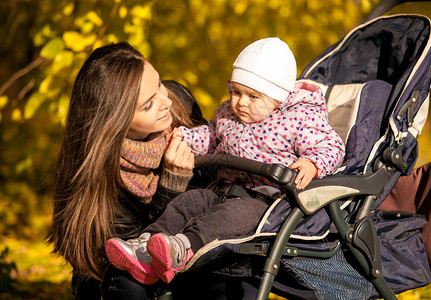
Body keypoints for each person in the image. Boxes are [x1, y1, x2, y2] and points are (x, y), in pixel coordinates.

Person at [105, 37, 345, 285]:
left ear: (277, 100)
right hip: (223, 189)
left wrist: (312, 163)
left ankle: (184, 246)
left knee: (223, 218)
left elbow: (331, 146)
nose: (241, 102)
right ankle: (146, 246)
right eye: (236, 91)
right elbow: (210, 135)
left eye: (253, 97)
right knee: (187, 202)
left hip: (264, 201)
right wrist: (185, 137)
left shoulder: (299, 119)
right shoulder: (228, 113)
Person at [46, 42, 208, 299]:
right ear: (117, 119)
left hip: (190, 249)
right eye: (147, 105)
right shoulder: (101, 170)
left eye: (158, 84)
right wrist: (171, 185)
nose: (165, 101)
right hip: (125, 266)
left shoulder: (180, 103)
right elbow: (133, 251)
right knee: (129, 283)